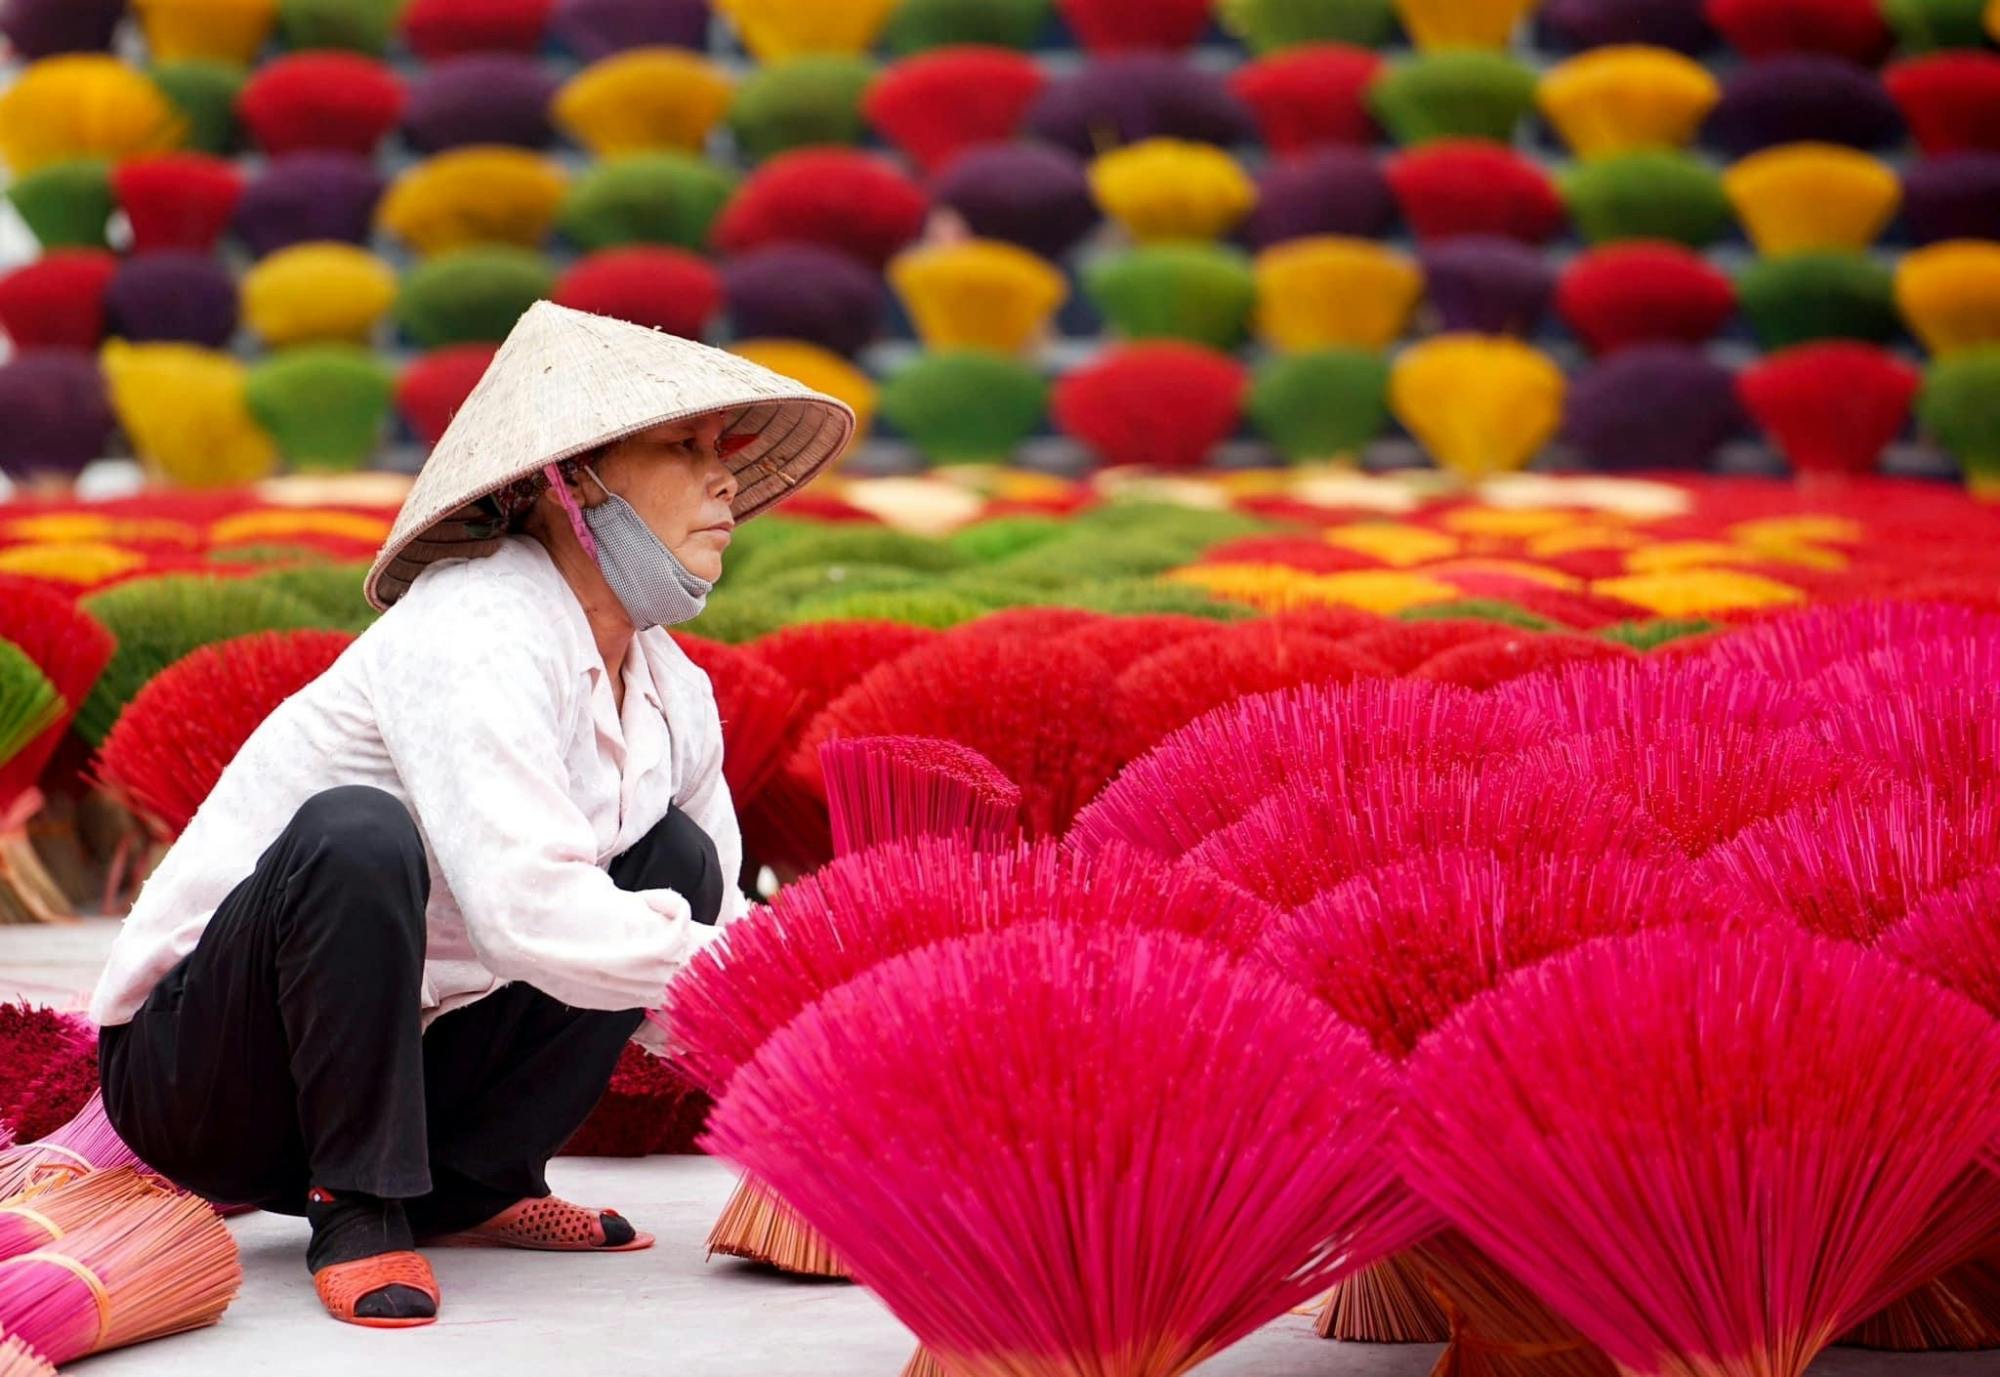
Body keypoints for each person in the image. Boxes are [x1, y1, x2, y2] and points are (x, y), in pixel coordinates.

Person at [88, 302, 856, 1328]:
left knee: (669, 866)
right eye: (682, 446)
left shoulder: (673, 692)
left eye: (724, 449)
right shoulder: (472, 626)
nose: (722, 478)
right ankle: (355, 1205)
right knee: (356, 833)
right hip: (211, 1080)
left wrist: (823, 1066)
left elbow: (694, 949)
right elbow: (526, 914)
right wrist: (799, 991)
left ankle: (475, 1184)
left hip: (410, 1056)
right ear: (570, 481)